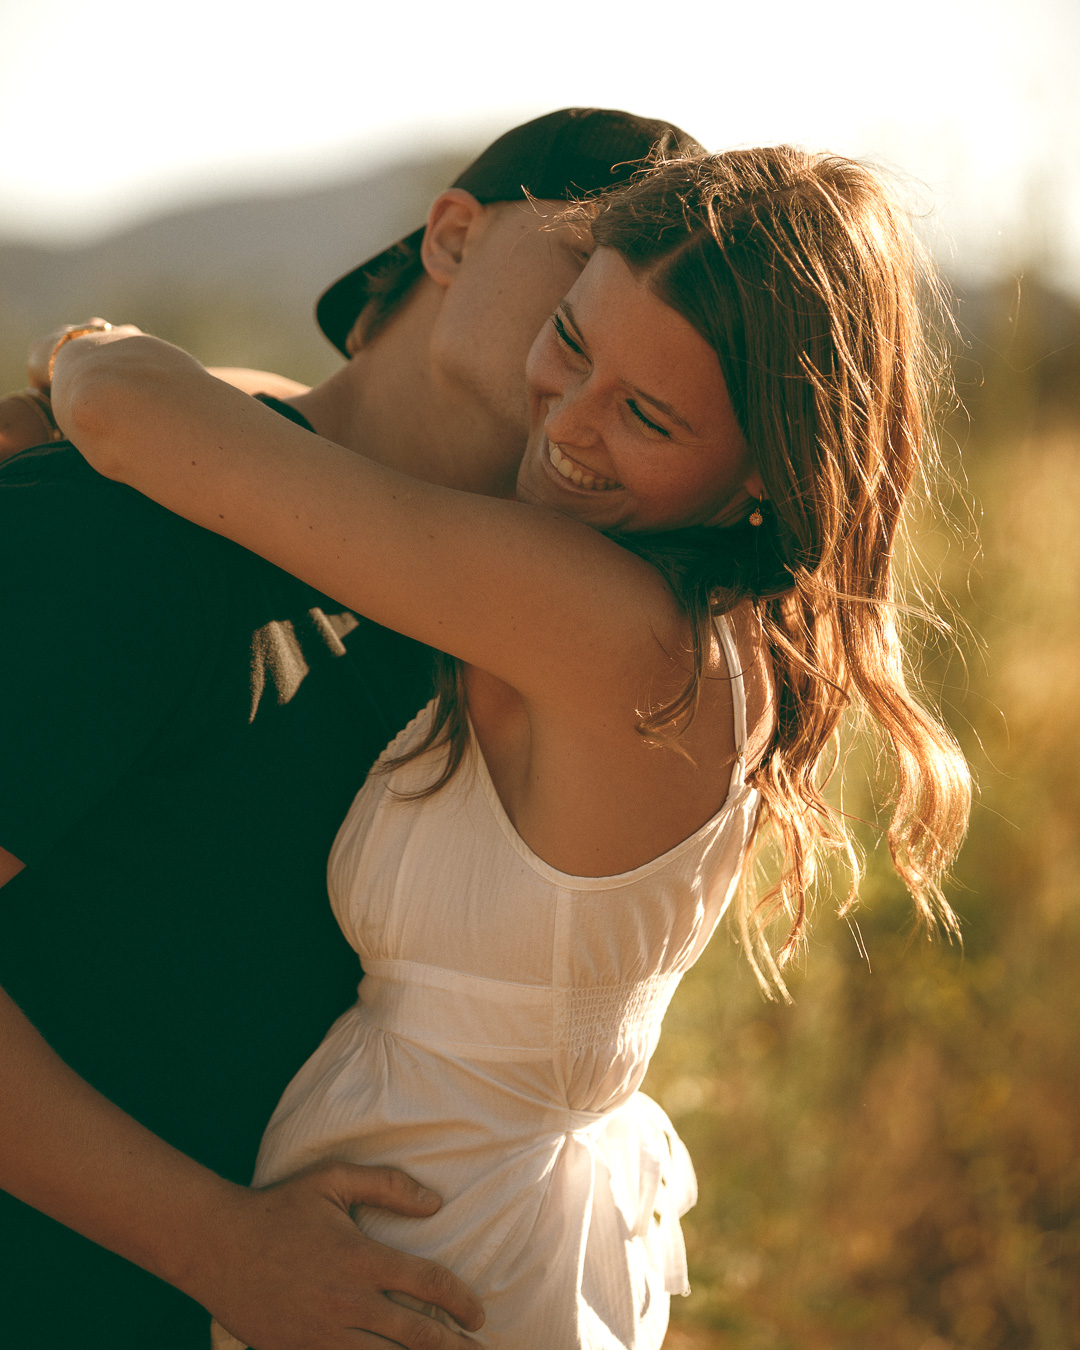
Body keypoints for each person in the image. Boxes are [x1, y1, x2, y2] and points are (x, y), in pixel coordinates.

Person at [48, 146, 973, 1349]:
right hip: (440, 1222)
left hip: (440, 1257)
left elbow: (129, 412)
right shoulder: (680, 605)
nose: (569, 427)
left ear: (765, 472)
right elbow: (333, 457)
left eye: (647, 414)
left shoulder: (608, 630)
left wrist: (71, 355)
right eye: (571, 341)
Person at [0, 108, 701, 1350]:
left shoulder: (499, 646)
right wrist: (213, 1243)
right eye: (587, 262)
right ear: (451, 237)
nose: (601, 322)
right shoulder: (128, 533)